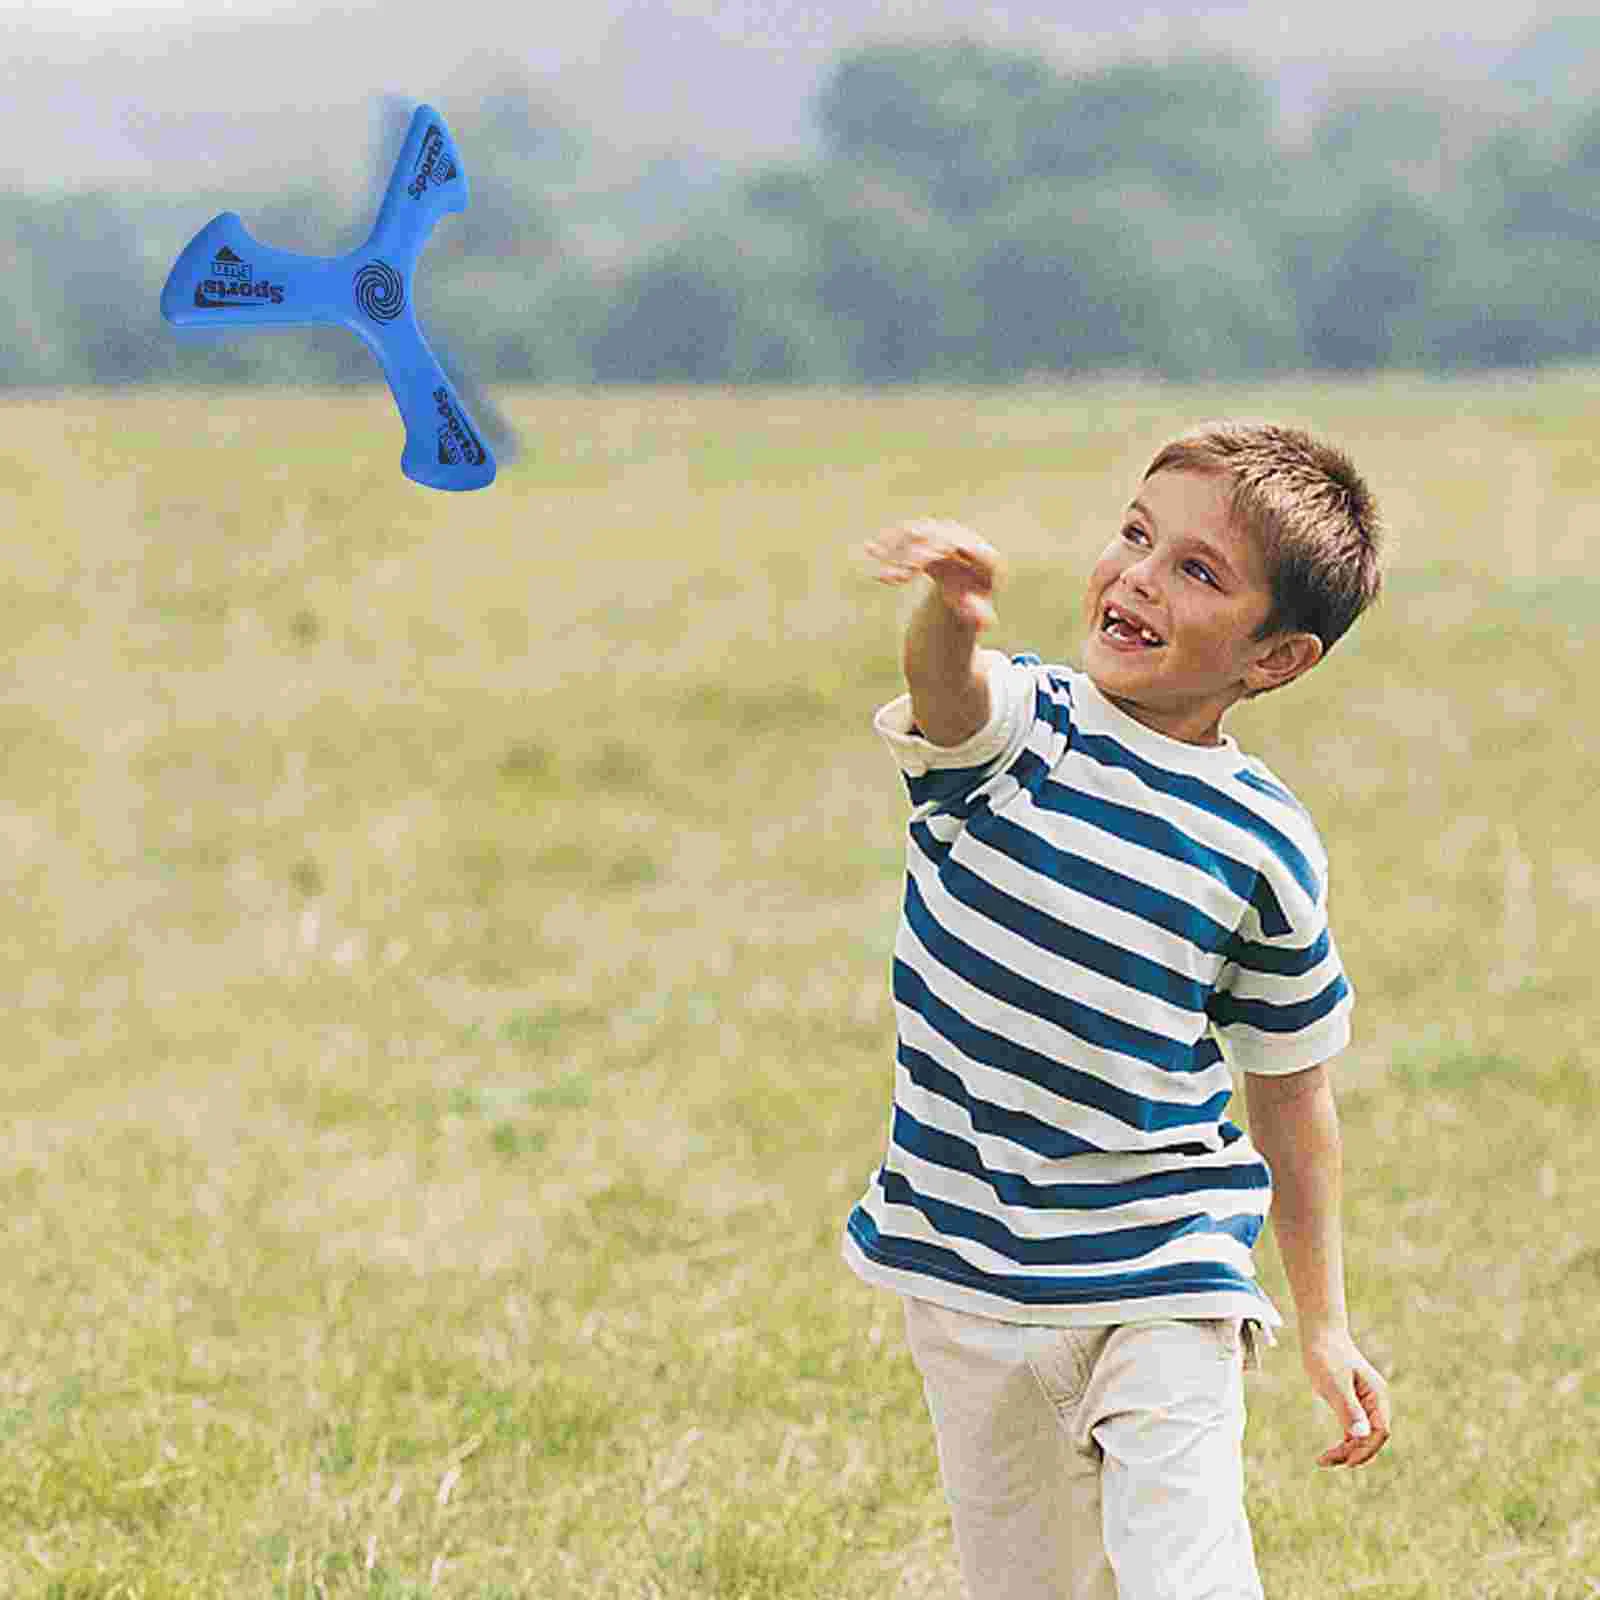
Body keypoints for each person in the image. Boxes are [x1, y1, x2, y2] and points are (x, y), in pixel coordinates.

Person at [843, 421, 1393, 1600]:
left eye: (1197, 570)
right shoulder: (1021, 731)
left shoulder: (1262, 843)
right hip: (967, 1272)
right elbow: (943, 694)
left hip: (1162, 1273)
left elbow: (1290, 1088)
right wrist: (951, 607)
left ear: (1276, 657)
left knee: (1186, 1578)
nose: (1138, 576)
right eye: (1136, 535)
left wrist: (1324, 1321)